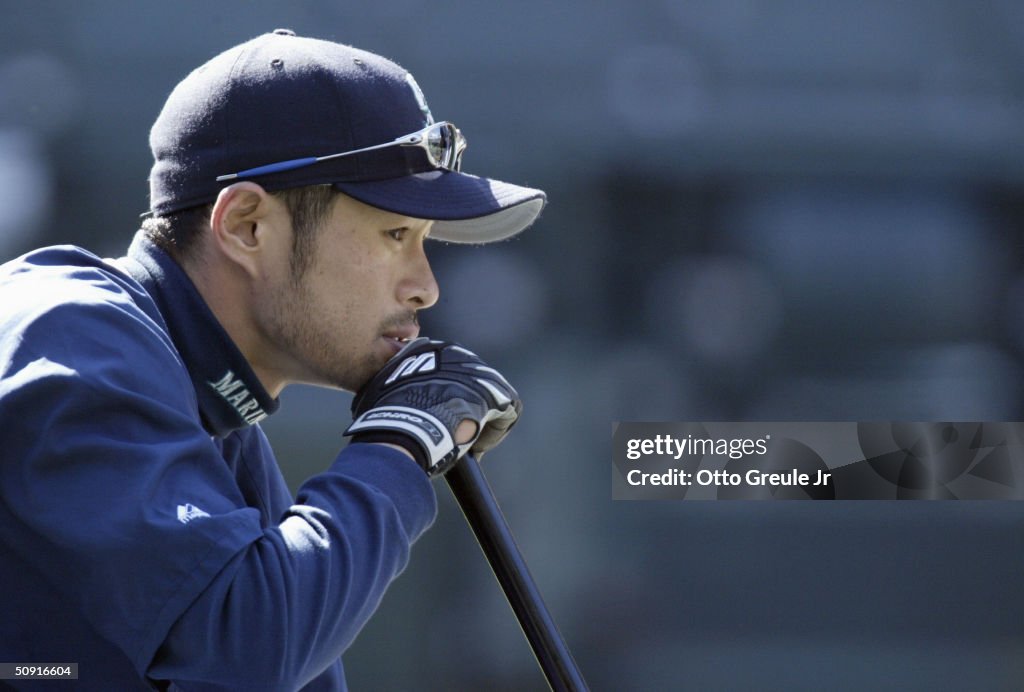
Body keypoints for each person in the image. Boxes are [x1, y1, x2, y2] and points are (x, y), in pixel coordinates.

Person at [0, 29, 545, 690]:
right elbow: (242, 654)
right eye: (395, 234)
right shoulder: (69, 333)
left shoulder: (210, 407)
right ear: (247, 226)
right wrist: (399, 445)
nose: (425, 286)